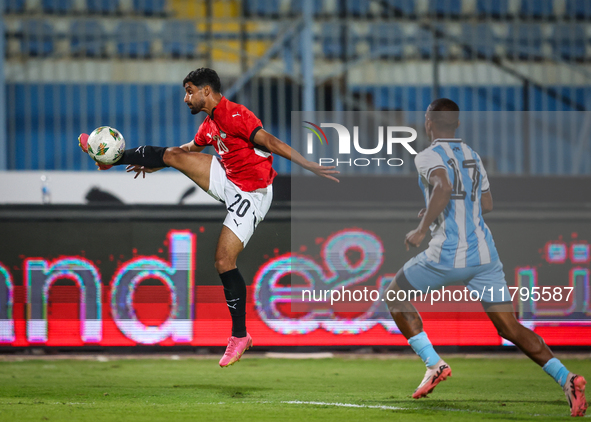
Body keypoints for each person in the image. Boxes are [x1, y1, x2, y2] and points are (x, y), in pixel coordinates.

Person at [78, 67, 339, 367]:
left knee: (223, 261)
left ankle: (239, 336)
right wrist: (156, 163)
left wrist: (309, 165)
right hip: (227, 178)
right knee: (175, 155)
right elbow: (186, 150)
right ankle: (112, 159)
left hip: (252, 194)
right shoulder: (209, 125)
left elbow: (271, 142)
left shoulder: (237, 115)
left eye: (189, 91)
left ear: (206, 91)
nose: (185, 98)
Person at [383, 98, 587, 417]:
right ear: (458, 124)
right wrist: (440, 212)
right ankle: (567, 378)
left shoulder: (427, 156)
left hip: (448, 254)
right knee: (508, 327)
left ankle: (434, 363)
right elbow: (487, 203)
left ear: (428, 122)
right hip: (485, 256)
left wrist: (423, 227)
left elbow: (443, 186)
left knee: (395, 295)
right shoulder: (473, 156)